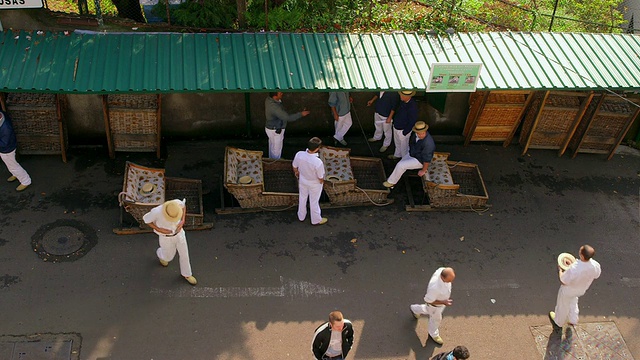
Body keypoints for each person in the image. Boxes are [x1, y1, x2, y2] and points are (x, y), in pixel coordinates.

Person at [143, 199, 197, 285]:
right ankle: (161, 255)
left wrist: (182, 220)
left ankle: (187, 274)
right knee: (168, 257)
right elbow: (146, 220)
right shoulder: (156, 212)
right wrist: (159, 229)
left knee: (184, 254)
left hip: (179, 234)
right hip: (166, 237)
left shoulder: (176, 203)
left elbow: (183, 206)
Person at [549, 245, 601, 331]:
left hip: (568, 290)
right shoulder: (595, 265)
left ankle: (558, 322)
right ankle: (573, 319)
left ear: (582, 255)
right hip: (581, 289)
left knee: (563, 305)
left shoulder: (574, 268)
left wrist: (560, 270)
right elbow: (596, 275)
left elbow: (563, 280)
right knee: (573, 301)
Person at [410, 267, 456, 345]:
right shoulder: (435, 288)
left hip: (440, 305)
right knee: (436, 319)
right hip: (435, 307)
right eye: (449, 280)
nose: (451, 282)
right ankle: (434, 334)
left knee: (426, 309)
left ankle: (415, 309)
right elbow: (428, 301)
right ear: (442, 277)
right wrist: (443, 302)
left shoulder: (442, 270)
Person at [383, 121, 435, 188]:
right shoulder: (415, 135)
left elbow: (427, 159)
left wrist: (423, 170)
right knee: (401, 164)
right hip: (412, 153)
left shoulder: (429, 144)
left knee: (400, 165)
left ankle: (391, 183)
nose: (421, 135)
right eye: (419, 133)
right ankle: (393, 179)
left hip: (419, 160)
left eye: (423, 133)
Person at [265, 92, 311, 159]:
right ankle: (275, 164)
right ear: (275, 96)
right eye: (279, 93)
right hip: (276, 130)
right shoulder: (274, 107)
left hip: (271, 128)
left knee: (272, 146)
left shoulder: (269, 100)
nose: (282, 93)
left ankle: (271, 160)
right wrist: (301, 114)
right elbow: (288, 118)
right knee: (276, 150)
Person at [292, 137, 327, 225]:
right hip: (315, 184)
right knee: (314, 201)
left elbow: (294, 166)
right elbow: (320, 177)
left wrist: (297, 173)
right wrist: (322, 182)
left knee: (302, 198)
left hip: (303, 180)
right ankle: (316, 220)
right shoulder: (318, 162)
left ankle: (301, 216)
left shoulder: (299, 154)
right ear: (317, 148)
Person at [0, 110, 31, 192]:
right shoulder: (3, 117)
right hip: (8, 146)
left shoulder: (6, 129)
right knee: (10, 164)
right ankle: (15, 174)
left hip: (7, 150)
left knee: (13, 166)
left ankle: (25, 181)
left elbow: (4, 143)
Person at [388, 90, 418, 160]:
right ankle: (397, 155)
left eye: (402, 95)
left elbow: (412, 120)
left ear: (408, 96)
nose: (400, 96)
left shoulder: (412, 106)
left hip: (403, 129)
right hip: (396, 126)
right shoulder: (402, 102)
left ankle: (404, 160)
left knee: (404, 147)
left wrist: (405, 132)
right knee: (397, 143)